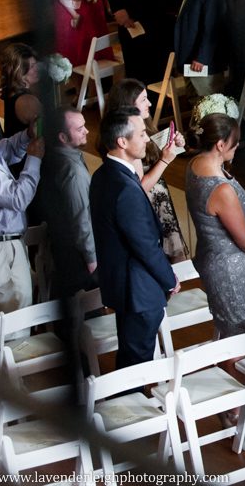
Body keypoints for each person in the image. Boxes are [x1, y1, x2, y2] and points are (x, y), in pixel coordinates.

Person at [91, 108, 180, 370]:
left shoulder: (103, 175)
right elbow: (145, 246)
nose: (147, 139)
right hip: (138, 291)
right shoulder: (124, 188)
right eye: (141, 134)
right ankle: (132, 409)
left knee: (131, 357)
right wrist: (169, 279)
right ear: (122, 142)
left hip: (123, 286)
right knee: (136, 366)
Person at [186, 113, 245, 345]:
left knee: (230, 332)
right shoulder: (220, 191)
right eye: (234, 141)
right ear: (220, 145)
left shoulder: (195, 165)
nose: (238, 145)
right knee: (240, 339)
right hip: (231, 270)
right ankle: (235, 378)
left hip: (214, 259)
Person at [105, 79, 189, 262]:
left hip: (159, 201)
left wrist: (175, 144)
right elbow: (140, 187)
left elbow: (152, 154)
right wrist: (165, 160)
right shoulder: (128, 138)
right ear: (129, 103)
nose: (149, 103)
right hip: (150, 206)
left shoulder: (142, 126)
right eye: (144, 99)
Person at [37, 108, 96, 298]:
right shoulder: (72, 173)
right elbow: (81, 219)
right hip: (76, 258)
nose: (86, 131)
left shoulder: (55, 157)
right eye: (80, 129)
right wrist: (92, 258)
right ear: (63, 137)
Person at [0, 118, 43, 328]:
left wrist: (27, 135)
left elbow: (5, 150)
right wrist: (34, 159)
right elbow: (18, 198)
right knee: (13, 319)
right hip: (2, 249)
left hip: (9, 243)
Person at [175, 0, 229, 96]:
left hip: (203, 63)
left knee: (210, 105)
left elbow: (212, 28)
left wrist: (201, 57)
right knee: (196, 104)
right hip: (193, 59)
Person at [0, 43, 40, 139]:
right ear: (20, 73)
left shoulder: (9, 90)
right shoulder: (27, 101)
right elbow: (41, 133)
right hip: (26, 151)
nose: (37, 69)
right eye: (33, 66)